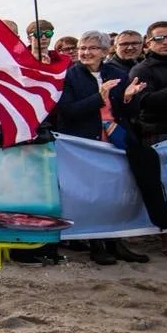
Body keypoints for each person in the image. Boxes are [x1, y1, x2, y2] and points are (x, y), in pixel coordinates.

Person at [56, 30, 148, 265]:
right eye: (83, 48)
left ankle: (116, 242)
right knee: (91, 196)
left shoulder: (118, 74)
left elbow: (130, 114)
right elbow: (67, 111)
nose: (85, 52)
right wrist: (99, 97)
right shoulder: (68, 76)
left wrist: (128, 98)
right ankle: (96, 244)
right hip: (85, 144)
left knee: (116, 194)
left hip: (115, 141)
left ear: (105, 52)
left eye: (92, 48)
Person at [126, 21, 167, 260]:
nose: (166, 43)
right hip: (161, 136)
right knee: (165, 190)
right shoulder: (142, 70)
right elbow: (147, 103)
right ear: (148, 42)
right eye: (160, 39)